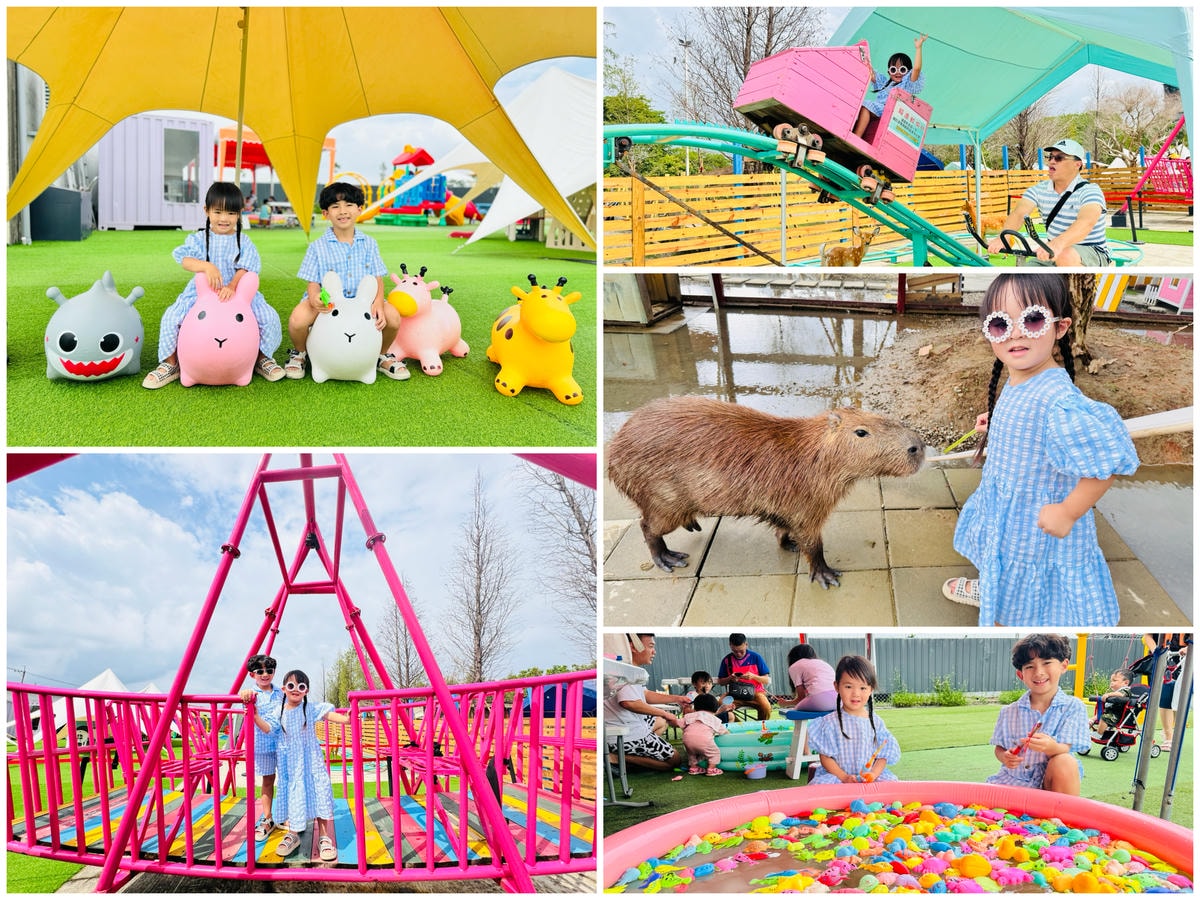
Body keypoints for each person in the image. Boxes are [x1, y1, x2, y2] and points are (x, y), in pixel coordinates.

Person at [943, 273, 1139, 624]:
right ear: (990, 333)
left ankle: (1002, 613)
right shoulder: (1023, 376)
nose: (1016, 333)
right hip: (1007, 510)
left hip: (1034, 526)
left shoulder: (1058, 402)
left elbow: (1107, 462)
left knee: (1024, 598)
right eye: (1001, 323)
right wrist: (997, 420)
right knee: (998, 557)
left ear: (1060, 327)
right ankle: (993, 586)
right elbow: (1026, 420)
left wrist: (1068, 511)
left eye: (1032, 319)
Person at [142, 182, 285, 388]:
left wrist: (233, 286)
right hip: (201, 292)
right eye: (218, 212)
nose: (224, 219)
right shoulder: (200, 239)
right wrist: (206, 266)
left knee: (267, 316)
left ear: (239, 214)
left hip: (239, 292)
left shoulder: (243, 241)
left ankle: (262, 358)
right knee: (172, 317)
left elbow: (247, 268)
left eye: (231, 213)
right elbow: (184, 260)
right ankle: (170, 363)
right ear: (206, 211)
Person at [284, 182, 406, 381]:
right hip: (328, 302)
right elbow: (313, 281)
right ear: (325, 213)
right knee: (298, 319)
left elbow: (377, 276)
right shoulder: (317, 247)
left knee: (393, 317)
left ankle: (381, 354)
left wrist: (378, 302)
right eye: (335, 207)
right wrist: (315, 297)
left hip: (364, 301)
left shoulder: (369, 243)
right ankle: (300, 353)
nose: (342, 211)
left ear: (359, 209)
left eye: (349, 205)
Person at [246, 669, 349, 863]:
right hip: (291, 763)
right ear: (284, 689)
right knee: (294, 796)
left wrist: (347, 719)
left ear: (306, 691)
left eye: (301, 686)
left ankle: (324, 837)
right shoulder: (280, 710)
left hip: (311, 761)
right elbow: (268, 728)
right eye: (291, 686)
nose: (296, 690)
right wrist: (254, 716)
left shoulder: (309, 708)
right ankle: (294, 833)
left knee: (319, 793)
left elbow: (328, 715)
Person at [986, 634, 1089, 795]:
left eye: (1047, 663)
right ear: (1021, 675)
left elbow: (1066, 748)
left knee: (1065, 760)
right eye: (1029, 666)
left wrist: (1052, 747)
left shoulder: (1073, 707)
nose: (1038, 672)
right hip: (1013, 781)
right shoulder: (1008, 712)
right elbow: (999, 748)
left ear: (1063, 666)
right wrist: (1004, 757)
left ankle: (1062, 816)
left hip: (1051, 785)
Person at [987, 139, 1110, 266]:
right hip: (1053, 251)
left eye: (1059, 158)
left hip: (1091, 252)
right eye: (1050, 157)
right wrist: (1003, 237)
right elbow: (1019, 214)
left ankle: (1079, 285)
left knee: (1065, 255)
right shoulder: (1038, 189)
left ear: (1077, 164)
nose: (1052, 161)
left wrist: (1057, 244)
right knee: (1021, 278)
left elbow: (1086, 222)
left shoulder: (1090, 191)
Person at [806, 655, 899, 784]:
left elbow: (882, 756)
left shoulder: (876, 723)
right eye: (849, 687)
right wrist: (844, 777)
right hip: (837, 777)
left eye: (862, 688)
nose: (856, 693)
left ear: (870, 689)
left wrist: (873, 774)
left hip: (869, 778)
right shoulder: (829, 723)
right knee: (819, 788)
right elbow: (825, 757)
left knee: (891, 785)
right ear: (837, 686)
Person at [603, 634, 683, 772]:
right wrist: (666, 713)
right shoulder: (624, 671)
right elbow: (629, 703)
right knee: (675, 760)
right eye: (651, 646)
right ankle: (615, 757)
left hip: (626, 723)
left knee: (661, 721)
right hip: (626, 732)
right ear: (633, 646)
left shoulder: (631, 670)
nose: (654, 651)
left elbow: (644, 694)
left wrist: (677, 698)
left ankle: (640, 757)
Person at [238, 654, 284, 842]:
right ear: (252, 674)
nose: (265, 674)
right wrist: (244, 695)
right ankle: (267, 818)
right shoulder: (251, 694)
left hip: (282, 743)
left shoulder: (280, 693)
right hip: (262, 745)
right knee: (267, 782)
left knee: (287, 781)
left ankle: (285, 816)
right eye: (260, 671)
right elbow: (243, 696)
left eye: (269, 671)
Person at [853, 34, 927, 138]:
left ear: (908, 71)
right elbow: (869, 70)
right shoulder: (884, 83)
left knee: (866, 105)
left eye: (902, 69)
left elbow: (917, 69)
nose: (897, 73)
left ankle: (856, 136)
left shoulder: (906, 84)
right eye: (893, 69)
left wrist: (919, 48)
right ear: (889, 72)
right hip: (879, 110)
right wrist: (862, 51)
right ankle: (852, 131)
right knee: (858, 104)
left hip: (892, 113)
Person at [716, 633, 772, 722]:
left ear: (746, 644)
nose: (738, 654)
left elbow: (766, 680)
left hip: (756, 693)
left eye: (741, 651)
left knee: (766, 707)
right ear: (730, 645)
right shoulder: (727, 660)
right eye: (735, 651)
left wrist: (753, 676)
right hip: (735, 694)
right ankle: (738, 725)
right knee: (721, 703)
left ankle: (760, 727)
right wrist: (730, 678)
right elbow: (721, 682)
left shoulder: (756, 657)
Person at [681, 692, 728, 776]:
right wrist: (728, 733)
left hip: (687, 739)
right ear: (714, 707)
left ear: (695, 707)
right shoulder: (713, 719)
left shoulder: (690, 715)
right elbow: (723, 731)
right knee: (714, 753)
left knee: (692, 754)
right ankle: (711, 769)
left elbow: (681, 724)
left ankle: (693, 767)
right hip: (704, 741)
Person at [786, 644, 837, 712]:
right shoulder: (823, 663)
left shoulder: (795, 666)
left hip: (820, 701)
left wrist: (785, 703)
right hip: (839, 700)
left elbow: (801, 698)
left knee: (796, 710)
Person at [1090, 668, 1133, 734]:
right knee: (1095, 717)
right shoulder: (1116, 692)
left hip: (1117, 715)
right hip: (1108, 712)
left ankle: (1099, 733)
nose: (1111, 683)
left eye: (1114, 680)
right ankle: (1084, 730)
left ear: (1126, 682)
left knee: (1104, 718)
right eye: (1111, 681)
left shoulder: (1126, 690)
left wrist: (1108, 695)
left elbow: (1121, 695)